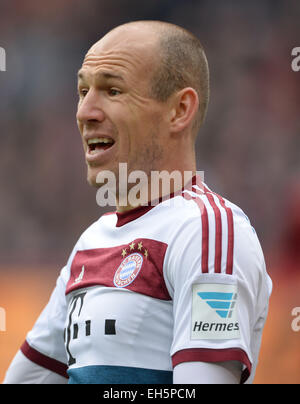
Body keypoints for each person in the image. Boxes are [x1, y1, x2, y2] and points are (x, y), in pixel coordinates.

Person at [3, 20, 272, 384]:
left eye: (112, 91)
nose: (85, 112)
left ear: (179, 110)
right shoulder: (91, 243)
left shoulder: (206, 230)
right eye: (83, 91)